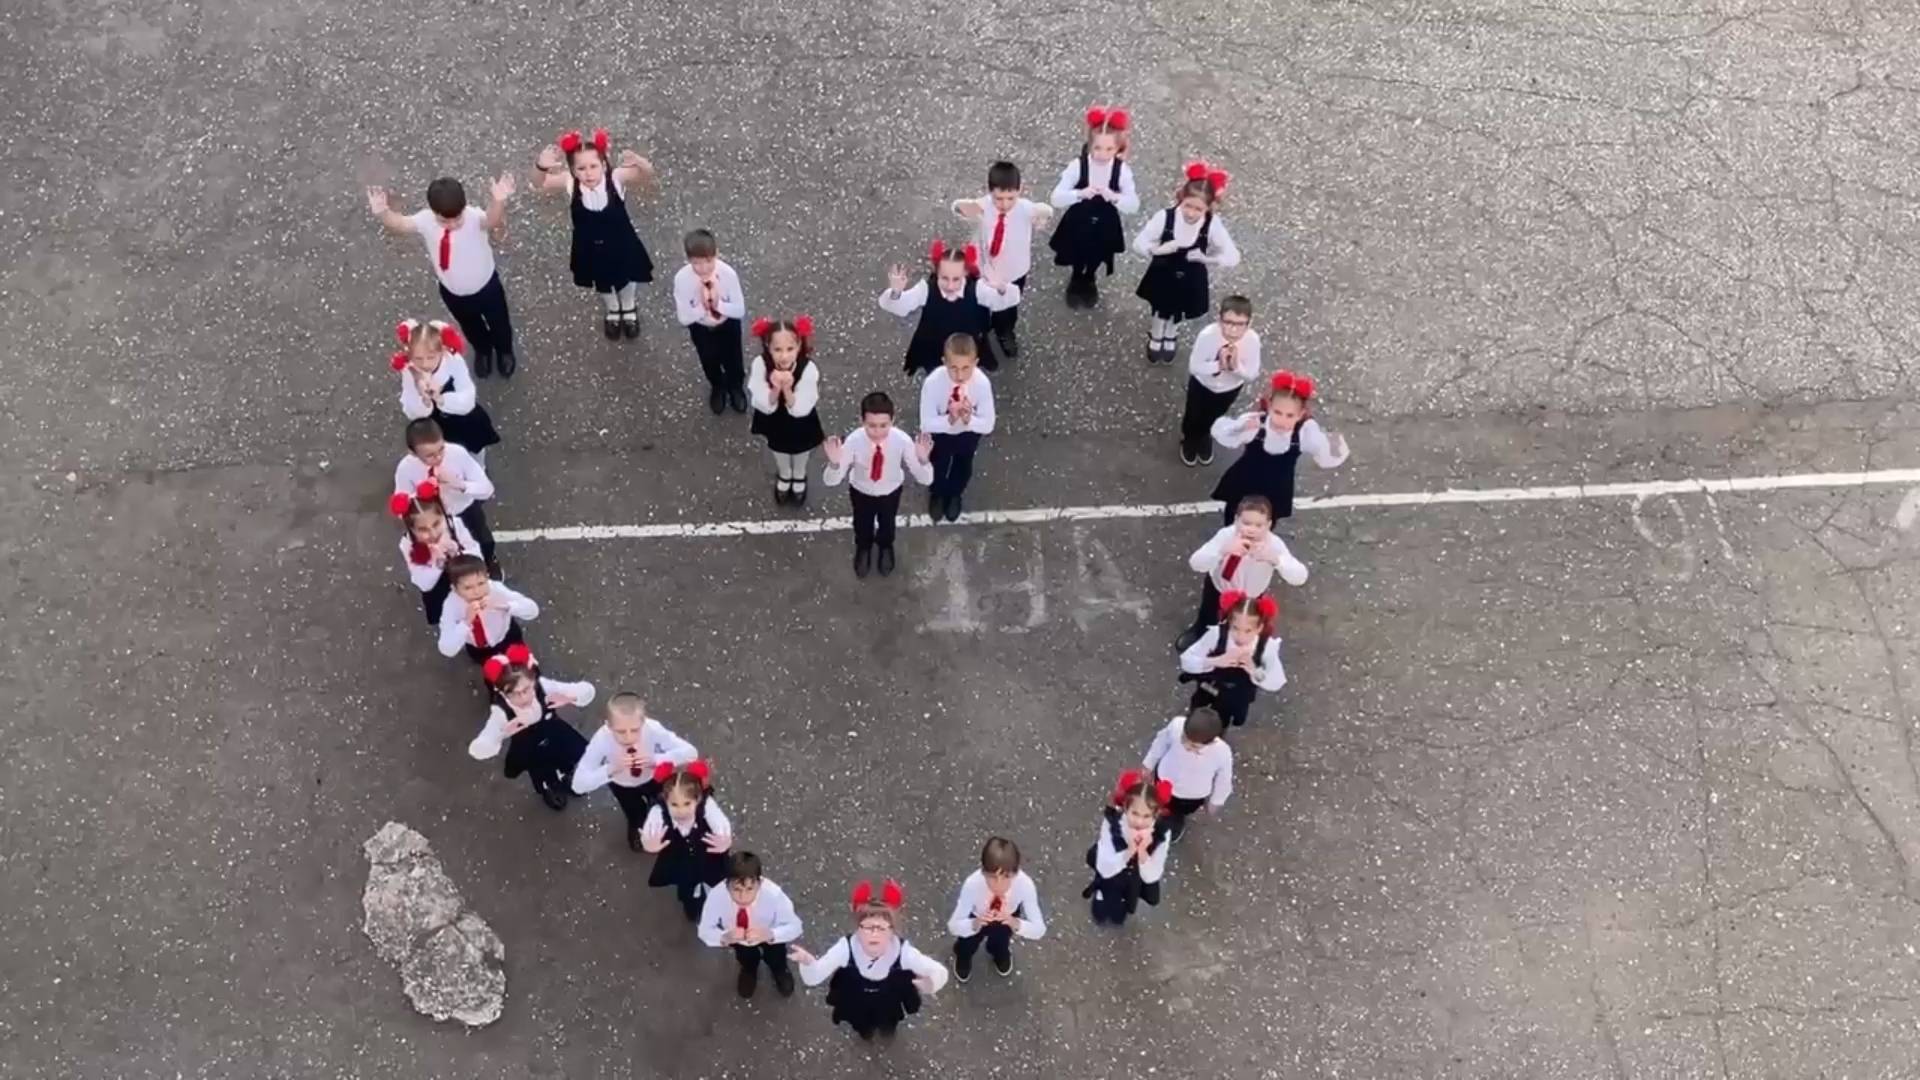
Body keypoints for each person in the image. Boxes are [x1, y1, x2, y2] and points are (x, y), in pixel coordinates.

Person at [366, 174, 520, 377]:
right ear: (434, 212)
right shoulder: (426, 220)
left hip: (486, 287)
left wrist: (498, 201)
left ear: (464, 207)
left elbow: (492, 220)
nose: (452, 224)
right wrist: (383, 212)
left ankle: (504, 351)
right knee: (470, 326)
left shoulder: (473, 217)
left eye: (457, 218)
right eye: (444, 220)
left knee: (499, 323)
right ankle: (483, 350)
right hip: (452, 291)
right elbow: (401, 224)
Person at [532, 128, 657, 340]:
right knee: (601, 279)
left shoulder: (615, 178)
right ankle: (612, 308)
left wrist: (639, 161)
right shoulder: (571, 183)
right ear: (573, 170)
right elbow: (539, 183)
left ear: (604, 165)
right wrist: (541, 166)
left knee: (627, 274)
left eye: (593, 166)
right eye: (581, 168)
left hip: (621, 242)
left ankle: (628, 306)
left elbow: (648, 174)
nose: (588, 173)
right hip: (589, 246)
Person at [791, 880, 949, 1040]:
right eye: (867, 927)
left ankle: (887, 1031)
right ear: (858, 928)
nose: (874, 934)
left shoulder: (903, 952)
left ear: (892, 930)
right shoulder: (846, 948)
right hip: (857, 995)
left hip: (889, 996)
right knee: (861, 1024)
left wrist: (931, 983)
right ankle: (865, 1033)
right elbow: (814, 977)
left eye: (881, 928)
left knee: (889, 1021)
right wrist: (808, 963)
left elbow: (939, 971)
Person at [1133, 161, 1240, 365]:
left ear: (1208, 208)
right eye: (1187, 206)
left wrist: (1207, 258)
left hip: (1191, 275)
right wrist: (1157, 250)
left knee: (1178, 308)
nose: (1191, 213)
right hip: (1163, 271)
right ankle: (1157, 333)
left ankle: (1171, 333)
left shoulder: (1212, 224)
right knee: (1160, 306)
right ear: (1181, 199)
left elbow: (1232, 256)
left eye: (1198, 209)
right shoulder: (1165, 217)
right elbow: (1139, 242)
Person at [1210, 370, 1351, 524]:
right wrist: (1240, 427)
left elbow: (1325, 453)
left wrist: (1331, 444)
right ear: (1269, 406)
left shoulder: (1305, 432)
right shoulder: (1256, 424)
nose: (1282, 420)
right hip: (1245, 481)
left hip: (1276, 488)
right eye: (1277, 412)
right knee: (1234, 514)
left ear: (1300, 414)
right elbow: (1223, 434)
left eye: (1290, 415)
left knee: (1267, 520)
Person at [821, 392, 934, 578]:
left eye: (883, 425)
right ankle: (863, 547)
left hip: (890, 492)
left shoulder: (902, 440)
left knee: (888, 523)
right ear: (862, 421)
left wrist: (923, 460)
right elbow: (831, 481)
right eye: (871, 425)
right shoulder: (854, 441)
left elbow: (926, 479)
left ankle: (885, 546)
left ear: (892, 420)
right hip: (861, 491)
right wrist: (834, 464)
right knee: (862, 523)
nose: (878, 432)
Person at [467, 645, 592, 810]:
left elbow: (583, 690)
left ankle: (566, 775)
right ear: (502, 693)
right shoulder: (501, 711)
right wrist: (501, 734)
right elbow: (484, 742)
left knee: (565, 757)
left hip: (554, 733)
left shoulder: (543, 686)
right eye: (513, 693)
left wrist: (572, 697)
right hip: (529, 746)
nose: (523, 697)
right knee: (540, 770)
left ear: (533, 680)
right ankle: (549, 786)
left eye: (526, 689)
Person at [1177, 494, 1308, 651]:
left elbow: (1300, 577)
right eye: (1246, 523)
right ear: (1236, 520)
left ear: (1269, 525)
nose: (1251, 530)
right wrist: (1222, 551)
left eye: (1259, 525)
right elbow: (1196, 563)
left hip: (1251, 598)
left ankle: (1234, 648)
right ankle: (1200, 634)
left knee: (1244, 629)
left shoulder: (1274, 545)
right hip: (1219, 589)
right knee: (1209, 616)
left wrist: (1277, 560)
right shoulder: (1226, 535)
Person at [570, 693, 700, 851]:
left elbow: (690, 752)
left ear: (643, 722)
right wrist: (610, 769)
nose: (629, 737)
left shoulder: (652, 728)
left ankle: (667, 824)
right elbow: (578, 785)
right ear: (608, 725)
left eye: (635, 730)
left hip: (654, 778)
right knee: (634, 812)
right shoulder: (601, 740)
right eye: (620, 731)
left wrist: (656, 760)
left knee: (665, 804)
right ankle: (637, 828)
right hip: (622, 785)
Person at [951, 161, 1053, 361]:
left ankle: (1004, 331)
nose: (1004, 204)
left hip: (1013, 271)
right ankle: (979, 331)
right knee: (978, 302)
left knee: (1007, 306)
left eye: (1010, 198)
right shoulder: (984, 205)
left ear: (1020, 190)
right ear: (990, 191)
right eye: (998, 198)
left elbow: (1045, 211)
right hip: (983, 269)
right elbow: (957, 207)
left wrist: (1042, 217)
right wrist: (965, 208)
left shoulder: (1025, 208)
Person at [878, 241, 1020, 375]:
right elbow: (903, 305)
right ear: (937, 273)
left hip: (968, 348)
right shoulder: (926, 289)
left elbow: (1001, 301)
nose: (950, 286)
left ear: (965, 274)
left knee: (966, 375)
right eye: (944, 278)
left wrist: (1001, 287)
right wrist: (896, 292)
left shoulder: (977, 289)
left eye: (956, 279)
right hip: (936, 348)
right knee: (937, 375)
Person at [1049, 106, 1139, 308]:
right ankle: (1076, 275)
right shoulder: (1078, 166)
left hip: (1105, 220)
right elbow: (1056, 198)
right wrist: (1079, 194)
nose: (1102, 155)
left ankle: (1090, 277)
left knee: (1098, 251)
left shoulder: (1121, 170)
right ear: (1089, 145)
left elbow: (1133, 205)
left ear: (1117, 149)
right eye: (1097, 148)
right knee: (1076, 249)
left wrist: (1114, 197)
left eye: (1109, 149)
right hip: (1079, 218)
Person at [394, 417, 499, 577]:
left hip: (465, 511)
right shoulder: (405, 469)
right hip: (433, 521)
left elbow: (487, 489)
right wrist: (422, 495)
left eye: (441, 449)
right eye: (430, 455)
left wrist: (460, 485)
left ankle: (488, 564)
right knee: (441, 555)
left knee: (483, 541)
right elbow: (402, 504)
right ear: (413, 453)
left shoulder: (457, 454)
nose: (438, 457)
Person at [697, 852, 804, 999]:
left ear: (759, 884)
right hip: (737, 939)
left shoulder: (774, 895)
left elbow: (795, 926)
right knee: (746, 957)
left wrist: (771, 934)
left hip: (769, 936)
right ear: (726, 885)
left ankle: (779, 970)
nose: (743, 897)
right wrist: (724, 937)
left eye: (749, 889)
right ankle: (749, 971)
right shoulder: (716, 896)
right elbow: (704, 930)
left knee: (776, 956)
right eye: (737, 890)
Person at [392, 318, 500, 460]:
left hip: (464, 421)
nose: (425, 364)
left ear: (442, 351)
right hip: (436, 428)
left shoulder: (453, 361)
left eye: (430, 357)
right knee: (445, 455)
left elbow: (468, 399)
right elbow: (411, 410)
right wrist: (424, 400)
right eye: (418, 358)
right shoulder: (410, 371)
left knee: (475, 449)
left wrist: (441, 399)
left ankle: (479, 468)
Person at [745, 316, 825, 506]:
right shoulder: (760, 364)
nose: (784, 356)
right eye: (777, 349)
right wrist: (775, 388)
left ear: (799, 346)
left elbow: (802, 407)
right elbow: (761, 400)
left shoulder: (808, 368)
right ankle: (785, 473)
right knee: (777, 446)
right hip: (774, 419)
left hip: (800, 420)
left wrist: (788, 389)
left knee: (802, 448)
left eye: (790, 349)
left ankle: (799, 473)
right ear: (768, 347)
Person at [638, 761, 732, 921]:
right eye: (674, 804)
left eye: (687, 803)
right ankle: (692, 908)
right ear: (665, 801)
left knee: (716, 882)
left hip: (709, 857)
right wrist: (648, 844)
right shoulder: (659, 811)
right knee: (687, 888)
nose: (681, 811)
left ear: (698, 799)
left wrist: (725, 839)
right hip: (680, 861)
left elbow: (721, 823)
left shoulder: (706, 806)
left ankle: (716, 906)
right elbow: (649, 831)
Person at [917, 334, 996, 523]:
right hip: (941, 437)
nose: (960, 375)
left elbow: (988, 424)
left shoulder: (982, 384)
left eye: (966, 368)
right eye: (953, 368)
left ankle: (954, 494)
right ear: (944, 362)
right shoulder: (933, 383)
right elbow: (926, 423)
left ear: (975, 363)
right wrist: (950, 420)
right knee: (938, 464)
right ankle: (937, 493)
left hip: (968, 436)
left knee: (963, 465)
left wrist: (969, 421)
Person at [1178, 591, 1286, 728]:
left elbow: (1277, 681)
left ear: (1259, 628)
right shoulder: (1217, 634)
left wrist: (1254, 670)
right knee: (1197, 712)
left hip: (1237, 694)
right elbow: (1187, 659)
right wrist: (1216, 661)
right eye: (1235, 628)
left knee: (1223, 720)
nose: (1240, 636)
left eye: (1248, 631)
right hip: (1208, 686)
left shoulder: (1265, 647)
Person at [945, 837, 1046, 982]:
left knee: (1001, 942)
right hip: (977, 916)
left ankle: (999, 953)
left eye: (1006, 877)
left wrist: (1015, 923)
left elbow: (1039, 929)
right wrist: (974, 923)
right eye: (992, 877)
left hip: (1007, 918)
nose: (999, 885)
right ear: (983, 872)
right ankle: (963, 956)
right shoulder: (972, 884)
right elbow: (953, 925)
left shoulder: (1025, 885)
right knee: (967, 944)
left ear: (1016, 872)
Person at [672, 228, 749, 413]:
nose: (704, 268)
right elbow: (684, 317)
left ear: (716, 254)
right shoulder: (682, 279)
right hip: (702, 328)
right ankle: (718, 386)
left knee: (734, 360)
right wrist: (703, 308)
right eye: (697, 263)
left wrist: (718, 305)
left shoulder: (728, 274)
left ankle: (735, 387)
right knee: (708, 360)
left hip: (727, 324)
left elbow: (739, 310)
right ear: (688, 259)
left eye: (708, 261)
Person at [1084, 770, 1173, 926]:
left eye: (1146, 816)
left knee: (1120, 913)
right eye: (1135, 813)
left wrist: (1143, 852)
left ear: (1156, 814)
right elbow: (1104, 866)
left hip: (1133, 882)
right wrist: (1129, 851)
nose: (1139, 822)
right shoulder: (1113, 824)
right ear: (1125, 808)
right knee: (1101, 908)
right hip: (1109, 878)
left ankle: (1119, 913)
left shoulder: (1161, 833)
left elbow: (1152, 875)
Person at [1178, 296, 1259, 467]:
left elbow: (1251, 374)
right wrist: (1219, 365)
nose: (1233, 329)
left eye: (1240, 324)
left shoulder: (1252, 340)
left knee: (1215, 415)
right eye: (1228, 322)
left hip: (1229, 389)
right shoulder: (1208, 336)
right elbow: (1195, 366)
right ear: (1219, 319)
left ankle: (1204, 436)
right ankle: (1189, 439)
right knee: (1193, 414)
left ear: (1249, 323)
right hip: (1202, 385)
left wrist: (1236, 368)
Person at [390, 484, 479, 626]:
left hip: (466, 581)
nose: (432, 533)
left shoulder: (454, 525)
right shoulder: (407, 545)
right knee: (449, 621)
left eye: (436, 524)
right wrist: (439, 562)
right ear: (412, 529)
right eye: (423, 529)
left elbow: (477, 556)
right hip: (439, 590)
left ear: (443, 515)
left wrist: (458, 553)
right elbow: (423, 583)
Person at [1141, 705, 1233, 840]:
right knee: (1157, 799)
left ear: (1212, 742)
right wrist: (1149, 764)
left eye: (1194, 746)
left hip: (1191, 795)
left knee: (1178, 811)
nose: (1186, 746)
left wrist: (1216, 801)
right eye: (1184, 739)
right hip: (1165, 778)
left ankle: (1175, 820)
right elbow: (1161, 743)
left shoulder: (1222, 752)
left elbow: (1224, 779)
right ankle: (1156, 814)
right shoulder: (1176, 726)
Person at [435, 555, 539, 662]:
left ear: (487, 577)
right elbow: (446, 649)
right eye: (468, 588)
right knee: (493, 669)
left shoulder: (496, 589)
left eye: (481, 583)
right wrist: (466, 622)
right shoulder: (451, 605)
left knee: (523, 663)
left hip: (507, 637)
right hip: (479, 649)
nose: (477, 592)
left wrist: (504, 606)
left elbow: (533, 610)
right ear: (455, 589)